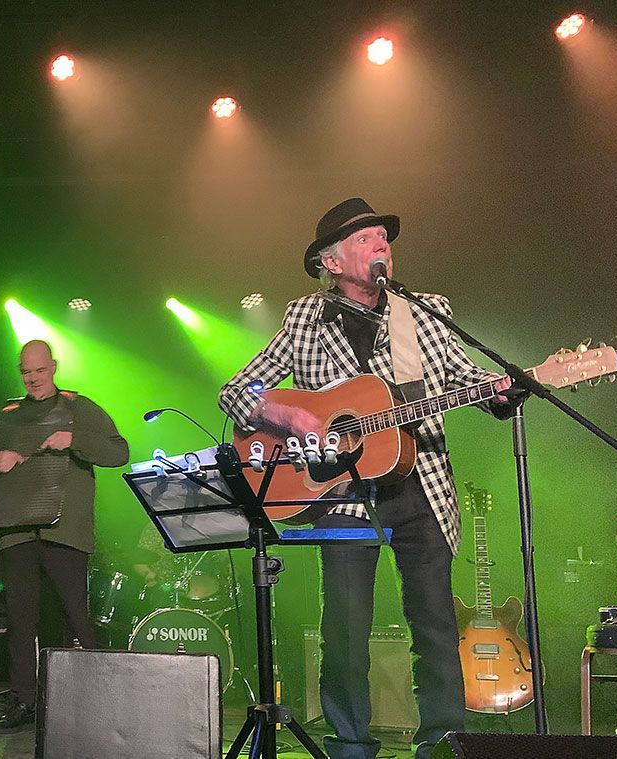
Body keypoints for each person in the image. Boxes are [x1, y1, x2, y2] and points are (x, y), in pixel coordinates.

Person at [219, 198, 516, 759]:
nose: (382, 243)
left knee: (434, 625)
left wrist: (501, 389)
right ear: (330, 262)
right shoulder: (303, 317)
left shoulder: (424, 311)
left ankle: (443, 743)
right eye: (365, 238)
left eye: (384, 236)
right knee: (345, 632)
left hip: (419, 485)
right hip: (340, 492)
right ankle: (349, 745)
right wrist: (284, 415)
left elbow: (464, 377)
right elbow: (237, 392)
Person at [0, 339, 129, 736]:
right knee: (20, 621)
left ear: (54, 367)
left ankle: (94, 703)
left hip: (65, 530)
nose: (33, 379)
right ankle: (23, 701)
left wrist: (73, 440)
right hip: (16, 530)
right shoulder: (7, 414)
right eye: (26, 372)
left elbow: (119, 452)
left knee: (75, 616)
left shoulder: (78, 406)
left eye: (40, 371)